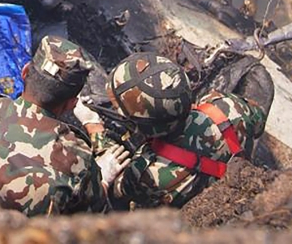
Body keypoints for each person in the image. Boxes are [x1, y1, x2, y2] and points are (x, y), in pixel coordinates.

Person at [0, 35, 131, 216]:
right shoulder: (78, 161)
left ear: (25, 71)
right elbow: (89, 217)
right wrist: (103, 178)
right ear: (71, 104)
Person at [104, 53, 272, 209]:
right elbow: (257, 125)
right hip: (230, 190)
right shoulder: (226, 106)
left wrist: (98, 136)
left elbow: (115, 193)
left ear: (145, 124)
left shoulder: (144, 171)